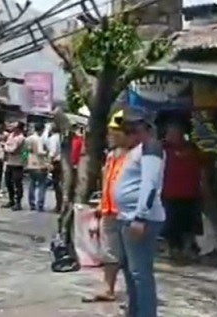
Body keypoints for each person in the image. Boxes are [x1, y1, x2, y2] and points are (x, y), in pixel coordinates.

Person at [113, 108, 165, 317]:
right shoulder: (138, 149)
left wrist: (140, 216)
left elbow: (150, 184)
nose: (125, 135)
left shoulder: (151, 148)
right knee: (131, 272)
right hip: (127, 217)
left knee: (140, 274)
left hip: (140, 218)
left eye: (129, 130)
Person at [84, 110, 128, 303]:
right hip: (109, 211)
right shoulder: (111, 156)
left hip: (127, 214)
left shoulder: (136, 156)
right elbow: (107, 182)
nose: (111, 135)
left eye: (115, 131)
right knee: (109, 253)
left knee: (130, 257)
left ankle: (134, 294)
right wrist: (101, 204)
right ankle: (109, 288)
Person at [161, 120, 205, 262]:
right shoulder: (162, 150)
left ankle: (188, 249)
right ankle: (173, 249)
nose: (171, 136)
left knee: (189, 225)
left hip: (190, 194)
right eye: (169, 133)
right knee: (170, 225)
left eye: (174, 133)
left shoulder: (193, 149)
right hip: (169, 194)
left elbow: (203, 167)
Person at [2, 121, 26, 211]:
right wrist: (6, 148)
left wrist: (6, 147)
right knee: (8, 182)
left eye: (15, 127)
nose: (12, 128)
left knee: (17, 182)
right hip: (10, 162)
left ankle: (18, 202)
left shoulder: (21, 138)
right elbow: (7, 147)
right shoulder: (11, 135)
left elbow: (13, 150)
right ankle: (11, 200)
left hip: (18, 163)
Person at [25, 123, 48, 211]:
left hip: (30, 164)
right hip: (39, 164)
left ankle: (32, 203)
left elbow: (24, 152)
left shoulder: (28, 139)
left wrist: (25, 161)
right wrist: (47, 152)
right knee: (42, 185)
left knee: (32, 184)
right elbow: (40, 152)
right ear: (41, 130)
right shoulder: (38, 139)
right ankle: (40, 204)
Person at [45, 123, 63, 213]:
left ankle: (59, 205)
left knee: (57, 185)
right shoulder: (61, 137)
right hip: (62, 162)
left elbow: (52, 152)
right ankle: (61, 204)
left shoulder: (53, 139)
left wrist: (49, 162)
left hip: (56, 162)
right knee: (60, 184)